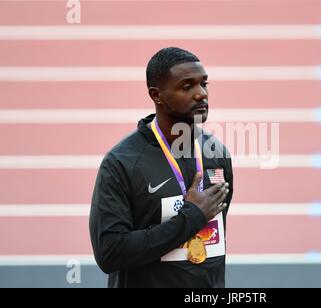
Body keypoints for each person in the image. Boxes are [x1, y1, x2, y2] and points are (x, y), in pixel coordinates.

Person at [89, 47, 233, 288]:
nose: (201, 94)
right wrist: (192, 217)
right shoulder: (121, 163)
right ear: (157, 95)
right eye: (187, 87)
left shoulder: (217, 154)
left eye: (204, 84)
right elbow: (110, 253)